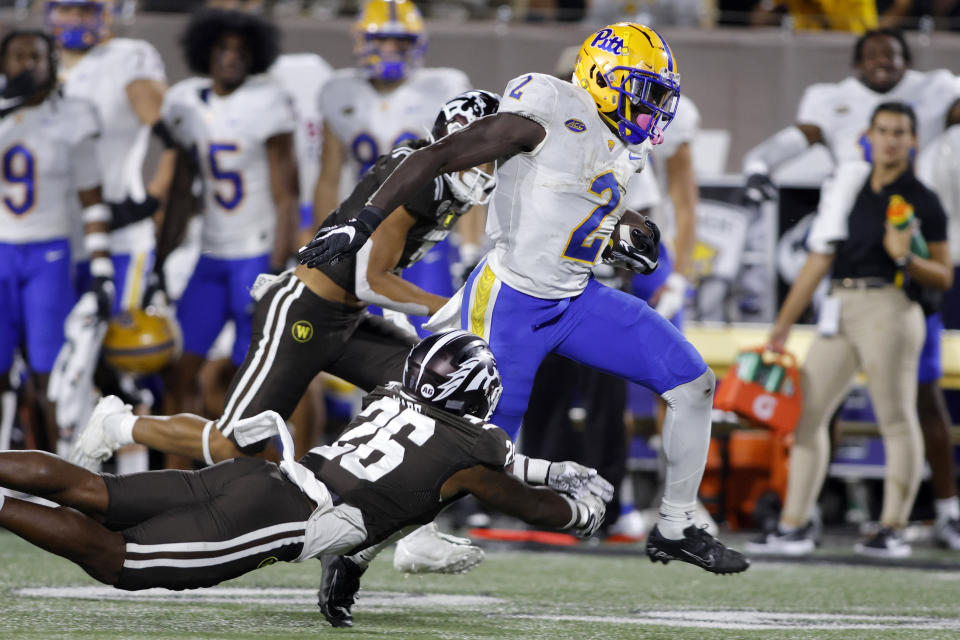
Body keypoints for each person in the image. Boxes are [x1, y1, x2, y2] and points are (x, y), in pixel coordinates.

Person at [299, 22, 750, 574]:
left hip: (576, 298)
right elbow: (435, 156)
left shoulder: (623, 144)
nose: (653, 108)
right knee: (466, 447)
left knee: (693, 383)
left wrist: (632, 234)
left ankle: (677, 525)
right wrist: (361, 225)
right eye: (646, 90)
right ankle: (360, 551)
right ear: (606, 78)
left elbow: (585, 208)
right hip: (509, 303)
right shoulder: (547, 110)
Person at [71, 91, 504, 574]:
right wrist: (451, 309)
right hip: (303, 311)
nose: (486, 165)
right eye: (479, 152)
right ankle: (115, 426)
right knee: (234, 444)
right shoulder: (419, 179)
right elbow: (370, 276)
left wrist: (411, 321)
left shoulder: (448, 185)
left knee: (434, 402)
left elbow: (372, 279)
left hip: (349, 317)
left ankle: (418, 538)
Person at [0, 331, 610, 617]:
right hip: (282, 517)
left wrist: (554, 469)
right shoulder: (472, 452)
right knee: (119, 562)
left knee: (94, 493)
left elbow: (476, 459)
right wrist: (582, 511)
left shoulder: (392, 394)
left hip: (266, 475)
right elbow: (525, 504)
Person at [748, 102, 952, 558]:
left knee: (895, 418)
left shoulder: (923, 197)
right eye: (884, 130)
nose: (891, 139)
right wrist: (782, 325)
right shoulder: (853, 184)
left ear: (913, 139)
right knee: (807, 416)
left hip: (891, 305)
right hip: (839, 304)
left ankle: (892, 527)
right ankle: (794, 524)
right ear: (869, 135)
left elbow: (943, 275)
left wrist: (906, 259)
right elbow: (819, 259)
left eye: (900, 131)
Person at [148, 9, 298, 429]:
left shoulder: (266, 101)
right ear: (205, 52)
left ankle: (261, 479)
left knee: (250, 382)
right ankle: (174, 481)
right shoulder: (184, 101)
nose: (231, 58)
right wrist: (161, 256)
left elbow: (288, 196)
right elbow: (180, 191)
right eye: (222, 49)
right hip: (210, 253)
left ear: (255, 58)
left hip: (255, 253)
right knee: (178, 369)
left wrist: (276, 265)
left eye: (241, 51)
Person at [43, 0, 169, 468]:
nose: (75, 21)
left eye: (85, 9)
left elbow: (166, 127)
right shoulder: (36, 58)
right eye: (66, 9)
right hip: (55, 235)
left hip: (118, 233)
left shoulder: (128, 57)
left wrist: (150, 199)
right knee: (64, 361)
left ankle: (133, 483)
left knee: (124, 358)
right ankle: (63, 471)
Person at [314, 0, 476, 334]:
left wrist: (471, 246)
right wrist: (321, 236)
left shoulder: (443, 89)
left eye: (401, 41)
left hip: (423, 226)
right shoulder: (340, 92)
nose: (391, 49)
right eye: (382, 40)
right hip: (364, 227)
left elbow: (469, 174)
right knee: (359, 330)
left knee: (436, 330)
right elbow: (328, 176)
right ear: (362, 40)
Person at [0, 30, 111, 454]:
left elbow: (93, 202)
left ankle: (57, 479)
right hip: (0, 252)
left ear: (52, 64)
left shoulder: (74, 114)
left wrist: (101, 271)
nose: (26, 64)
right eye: (16, 56)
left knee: (52, 377)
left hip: (48, 254)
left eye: (36, 56)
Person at [742, 28, 960, 195]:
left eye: (890, 54)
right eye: (872, 55)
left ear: (907, 61)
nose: (882, 61)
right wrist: (759, 163)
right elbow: (799, 137)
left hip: (920, 197)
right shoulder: (831, 98)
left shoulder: (936, 88)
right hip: (854, 200)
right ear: (857, 64)